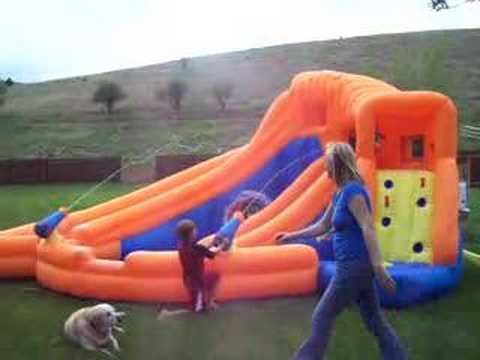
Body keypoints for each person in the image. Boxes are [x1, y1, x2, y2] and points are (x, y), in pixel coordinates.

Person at [276, 143, 408, 360]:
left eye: (328, 162)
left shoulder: (353, 191)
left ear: (337, 164)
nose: (325, 167)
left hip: (353, 267)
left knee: (322, 315)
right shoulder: (340, 194)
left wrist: (379, 268)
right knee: (374, 320)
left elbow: (368, 227)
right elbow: (322, 225)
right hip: (356, 267)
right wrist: (291, 235)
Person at [158, 219, 219, 319]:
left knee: (213, 277)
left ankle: (208, 303)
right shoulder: (196, 248)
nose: (196, 230)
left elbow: (204, 250)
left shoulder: (182, 248)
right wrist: (222, 245)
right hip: (197, 282)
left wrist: (212, 243)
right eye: (194, 229)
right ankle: (167, 314)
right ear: (191, 233)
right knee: (195, 310)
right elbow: (211, 254)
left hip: (189, 280)